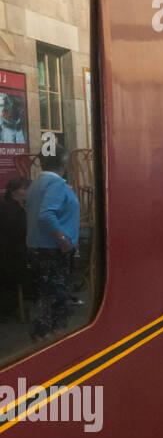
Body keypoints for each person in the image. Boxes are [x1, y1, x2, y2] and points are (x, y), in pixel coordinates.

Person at [26, 146, 79, 341]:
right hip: (53, 249)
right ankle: (51, 335)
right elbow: (46, 214)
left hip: (38, 248)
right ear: (63, 163)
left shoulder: (36, 183)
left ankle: (42, 334)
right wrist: (63, 239)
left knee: (45, 294)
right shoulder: (56, 184)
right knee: (57, 293)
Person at [0, 176, 30, 321]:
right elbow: (22, 234)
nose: (28, 191)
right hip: (12, 261)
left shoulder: (8, 206)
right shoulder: (15, 210)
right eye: (25, 189)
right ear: (13, 192)